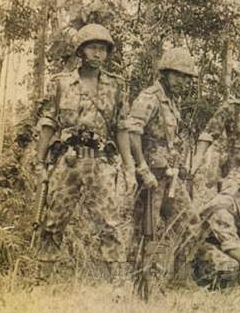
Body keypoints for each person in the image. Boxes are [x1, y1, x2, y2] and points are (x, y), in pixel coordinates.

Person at [35, 23, 136, 281]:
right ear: (81, 50)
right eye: (92, 48)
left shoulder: (116, 86)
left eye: (102, 49)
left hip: (100, 164)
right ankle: (42, 278)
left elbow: (121, 128)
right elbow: (48, 122)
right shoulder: (61, 83)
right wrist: (40, 162)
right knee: (53, 220)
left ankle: (117, 282)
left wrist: (129, 166)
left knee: (109, 222)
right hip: (67, 162)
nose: (98, 54)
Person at [127, 47, 197, 244]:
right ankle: (138, 273)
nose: (183, 82)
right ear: (165, 73)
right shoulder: (150, 97)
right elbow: (132, 132)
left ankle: (183, 270)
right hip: (151, 176)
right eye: (178, 76)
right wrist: (142, 168)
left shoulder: (173, 102)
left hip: (170, 176)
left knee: (190, 224)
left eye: (186, 78)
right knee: (145, 232)